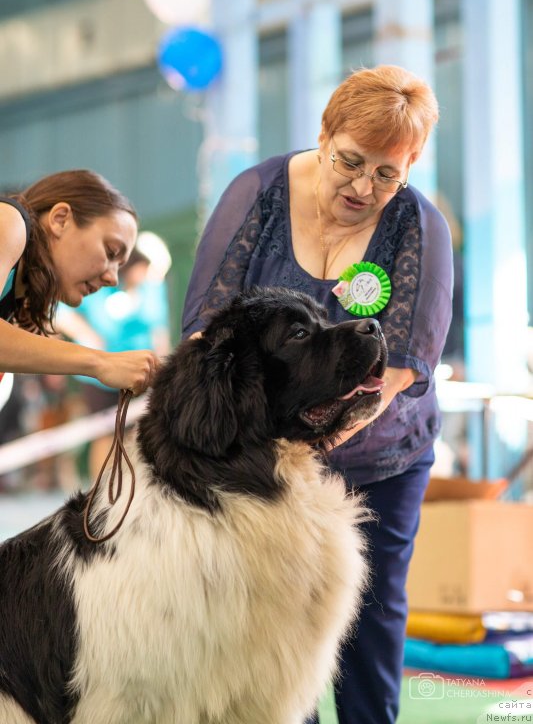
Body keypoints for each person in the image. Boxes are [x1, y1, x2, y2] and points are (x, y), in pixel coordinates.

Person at [182, 65, 453, 724]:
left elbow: (389, 377)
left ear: (409, 165)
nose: (363, 187)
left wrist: (312, 444)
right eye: (350, 162)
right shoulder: (257, 192)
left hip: (378, 458)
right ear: (323, 134)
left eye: (387, 173)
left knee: (369, 612)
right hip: (266, 460)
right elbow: (205, 335)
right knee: (272, 621)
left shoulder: (419, 227)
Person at [0, 170, 159, 396]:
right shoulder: (8, 220)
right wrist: (100, 362)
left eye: (120, 266)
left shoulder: (14, 300)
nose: (112, 278)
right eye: (111, 251)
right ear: (60, 219)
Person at [57, 243, 170, 478]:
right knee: (104, 433)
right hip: (99, 377)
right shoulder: (99, 286)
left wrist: (163, 370)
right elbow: (59, 312)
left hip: (140, 374)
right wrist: (86, 334)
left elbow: (160, 330)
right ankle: (100, 492)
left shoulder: (151, 288)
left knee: (136, 434)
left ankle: (128, 490)